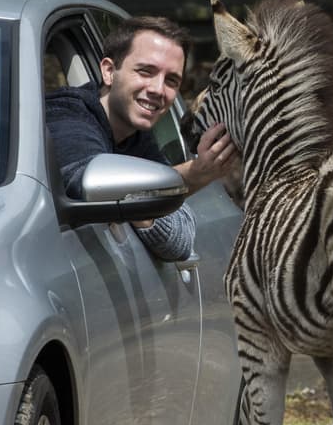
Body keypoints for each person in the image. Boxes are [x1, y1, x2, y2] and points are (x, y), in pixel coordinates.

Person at [46, 16, 236, 261]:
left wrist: (136, 199)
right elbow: (89, 185)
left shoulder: (137, 139)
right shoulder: (66, 115)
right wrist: (195, 172)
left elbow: (182, 240)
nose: (158, 89)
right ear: (108, 71)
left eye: (171, 80)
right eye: (145, 71)